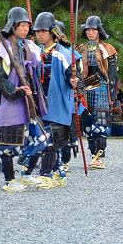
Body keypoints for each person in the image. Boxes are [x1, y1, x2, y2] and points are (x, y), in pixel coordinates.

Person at [0, 7, 47, 192]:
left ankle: (27, 174)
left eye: (27, 25)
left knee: (39, 139)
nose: (25, 29)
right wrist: (15, 90)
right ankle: (10, 180)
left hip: (30, 101)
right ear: (13, 25)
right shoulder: (3, 49)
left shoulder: (30, 46)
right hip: (12, 101)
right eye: (21, 25)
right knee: (8, 142)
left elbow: (39, 71)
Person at [22, 12, 81, 188]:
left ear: (52, 32)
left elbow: (74, 77)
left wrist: (74, 80)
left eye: (44, 31)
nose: (40, 34)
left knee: (50, 142)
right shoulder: (35, 52)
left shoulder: (63, 54)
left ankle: (47, 175)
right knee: (41, 139)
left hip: (57, 104)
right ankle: (59, 174)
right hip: (39, 103)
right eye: (37, 31)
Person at [76, 15, 118, 170]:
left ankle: (99, 156)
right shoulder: (80, 49)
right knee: (88, 123)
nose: (90, 32)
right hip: (85, 90)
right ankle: (93, 154)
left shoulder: (108, 49)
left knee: (100, 123)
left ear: (99, 31)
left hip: (101, 88)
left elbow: (112, 74)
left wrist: (112, 95)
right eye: (88, 30)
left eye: (93, 29)